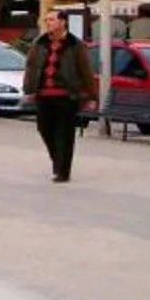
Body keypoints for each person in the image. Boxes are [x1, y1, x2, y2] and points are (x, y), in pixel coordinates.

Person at [19, 10, 94, 182]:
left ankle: (63, 171)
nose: (48, 23)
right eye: (47, 20)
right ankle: (57, 160)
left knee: (65, 133)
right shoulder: (40, 43)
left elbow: (86, 71)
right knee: (44, 129)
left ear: (63, 22)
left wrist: (91, 96)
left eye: (52, 20)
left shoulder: (75, 44)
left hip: (67, 96)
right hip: (44, 95)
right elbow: (31, 67)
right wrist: (29, 89)